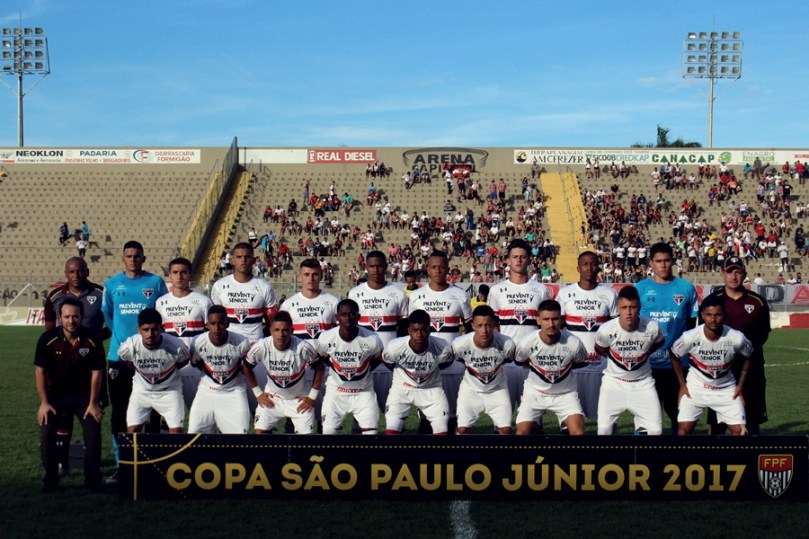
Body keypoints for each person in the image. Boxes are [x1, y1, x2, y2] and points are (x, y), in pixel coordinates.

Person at [102, 240, 168, 483]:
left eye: (137, 256)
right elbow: (108, 315)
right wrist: (122, 340)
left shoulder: (155, 283)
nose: (133, 259)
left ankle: (150, 464)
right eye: (128, 256)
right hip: (118, 359)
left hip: (150, 357)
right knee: (120, 412)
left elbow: (163, 313)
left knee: (151, 412)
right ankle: (122, 465)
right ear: (123, 259)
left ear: (143, 258)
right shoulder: (111, 285)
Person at [43, 257, 107, 477]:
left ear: (87, 271)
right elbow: (49, 330)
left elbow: (112, 321)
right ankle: (62, 463)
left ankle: (92, 467)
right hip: (62, 363)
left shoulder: (100, 293)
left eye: (80, 271)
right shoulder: (55, 296)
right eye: (72, 271)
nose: (76, 275)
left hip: (90, 361)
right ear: (65, 272)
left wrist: (97, 339)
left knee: (91, 416)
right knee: (62, 418)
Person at [35, 297, 105, 493]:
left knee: (93, 431)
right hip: (55, 397)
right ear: (60, 317)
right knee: (47, 431)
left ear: (82, 317)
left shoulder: (91, 340)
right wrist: (44, 403)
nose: (71, 321)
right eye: (66, 317)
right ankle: (51, 480)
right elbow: (39, 371)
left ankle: (93, 481)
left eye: (75, 316)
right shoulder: (47, 340)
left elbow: (97, 372)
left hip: (83, 397)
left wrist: (93, 403)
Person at [702, 256, 771, 435]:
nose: (734, 276)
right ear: (723, 274)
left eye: (738, 272)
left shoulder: (758, 302)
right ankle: (715, 461)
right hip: (720, 370)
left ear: (744, 274)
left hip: (752, 370)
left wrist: (744, 352)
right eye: (730, 272)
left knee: (752, 421)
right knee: (717, 425)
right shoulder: (712, 301)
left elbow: (763, 334)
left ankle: (751, 460)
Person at [636, 242, 698, 434]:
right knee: (645, 417)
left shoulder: (686, 288)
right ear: (651, 263)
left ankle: (677, 458)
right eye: (659, 261)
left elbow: (690, 326)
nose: (663, 265)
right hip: (647, 365)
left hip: (677, 365)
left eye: (667, 261)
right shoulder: (640, 289)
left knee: (679, 415)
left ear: (673, 261)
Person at [670, 296, 754, 435]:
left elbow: (749, 355)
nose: (713, 320)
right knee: (682, 433)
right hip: (695, 389)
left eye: (718, 315)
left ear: (724, 315)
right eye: (708, 315)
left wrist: (740, 386)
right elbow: (674, 355)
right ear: (702, 315)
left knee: (741, 433)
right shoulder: (690, 337)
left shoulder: (736, 338)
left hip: (726, 390)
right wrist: (682, 385)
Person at [408, 250, 472, 431]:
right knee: (427, 418)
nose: (438, 271)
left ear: (448, 270)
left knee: (452, 416)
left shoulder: (460, 295)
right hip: (425, 365)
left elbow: (468, 331)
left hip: (452, 366)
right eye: (434, 267)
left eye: (442, 267)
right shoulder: (416, 296)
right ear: (427, 269)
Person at [210, 242, 277, 410]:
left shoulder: (264, 287)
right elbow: (214, 321)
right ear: (232, 260)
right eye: (239, 257)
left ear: (254, 260)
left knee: (260, 401)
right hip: (227, 349)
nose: (243, 260)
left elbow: (272, 323)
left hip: (255, 349)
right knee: (226, 400)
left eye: (247, 257)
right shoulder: (219, 286)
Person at [486, 239, 550, 416]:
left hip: (532, 362)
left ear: (529, 260)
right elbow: (492, 326)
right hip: (505, 362)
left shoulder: (541, 290)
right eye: (515, 257)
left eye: (523, 257)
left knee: (533, 417)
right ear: (508, 260)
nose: (519, 260)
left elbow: (546, 324)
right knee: (502, 417)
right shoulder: (497, 290)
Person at [594, 286, 665, 435]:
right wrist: (616, 359)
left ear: (639, 307)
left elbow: (659, 342)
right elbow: (599, 348)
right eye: (624, 307)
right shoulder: (606, 329)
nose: (628, 312)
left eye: (632, 307)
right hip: (613, 383)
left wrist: (644, 353)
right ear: (618, 308)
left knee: (656, 431)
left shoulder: (652, 327)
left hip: (643, 383)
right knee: (603, 430)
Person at [556, 251, 618, 422]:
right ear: (578, 268)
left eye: (593, 264)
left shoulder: (609, 294)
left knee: (605, 418)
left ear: (598, 267)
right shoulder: (565, 294)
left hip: (602, 365)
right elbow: (557, 328)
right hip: (573, 366)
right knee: (571, 418)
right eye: (585, 264)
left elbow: (615, 330)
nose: (589, 268)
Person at [514, 300, 588, 435]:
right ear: (538, 320)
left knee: (578, 433)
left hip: (565, 394)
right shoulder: (526, 343)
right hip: (535, 393)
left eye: (555, 319)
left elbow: (579, 362)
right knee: (521, 433)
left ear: (561, 320)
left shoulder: (574, 343)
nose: (551, 324)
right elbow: (521, 361)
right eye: (546, 319)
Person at [348, 251, 408, 414]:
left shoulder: (398, 293)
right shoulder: (355, 294)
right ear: (366, 267)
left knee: (395, 410)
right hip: (363, 360)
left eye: (380, 266)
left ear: (386, 266)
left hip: (390, 361)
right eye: (372, 266)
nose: (376, 270)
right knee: (361, 411)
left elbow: (403, 330)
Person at [245, 311, 324, 434]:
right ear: (270, 330)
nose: (281, 334)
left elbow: (320, 368)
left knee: (306, 442)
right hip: (273, 397)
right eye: (276, 330)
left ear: (292, 330)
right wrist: (258, 393)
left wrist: (312, 397)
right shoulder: (261, 347)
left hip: (299, 400)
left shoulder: (303, 347)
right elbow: (246, 366)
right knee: (260, 434)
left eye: (285, 330)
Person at [312, 299, 383, 434]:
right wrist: (334, 366)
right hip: (336, 391)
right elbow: (321, 356)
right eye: (343, 314)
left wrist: (364, 370)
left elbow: (378, 357)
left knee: (371, 434)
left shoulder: (372, 339)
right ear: (337, 317)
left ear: (359, 317)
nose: (348, 318)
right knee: (328, 433)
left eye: (352, 314)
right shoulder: (326, 338)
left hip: (364, 392)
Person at [117, 309, 189, 434]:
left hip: (169, 391)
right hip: (141, 391)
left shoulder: (176, 346)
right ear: (139, 330)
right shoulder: (129, 346)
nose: (150, 334)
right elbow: (124, 360)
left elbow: (183, 362)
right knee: (132, 431)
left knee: (177, 433)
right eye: (145, 330)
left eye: (154, 329)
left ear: (162, 329)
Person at [382, 309, 454, 435]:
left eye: (423, 330)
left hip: (431, 389)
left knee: (442, 431)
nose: (419, 335)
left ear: (429, 330)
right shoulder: (394, 348)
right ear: (408, 330)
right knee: (391, 432)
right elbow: (387, 362)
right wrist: (403, 376)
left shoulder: (443, 348)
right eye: (415, 330)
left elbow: (447, 362)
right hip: (402, 389)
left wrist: (427, 371)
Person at [187, 306, 256, 434]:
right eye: (213, 323)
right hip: (206, 392)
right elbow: (197, 363)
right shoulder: (198, 342)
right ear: (206, 324)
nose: (217, 328)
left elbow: (246, 367)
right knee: (194, 435)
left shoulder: (241, 342)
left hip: (234, 392)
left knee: (240, 437)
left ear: (227, 323)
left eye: (221, 323)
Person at [156, 257, 213, 410]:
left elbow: (211, 334)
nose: (179, 276)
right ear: (169, 275)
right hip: (170, 368)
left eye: (183, 272)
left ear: (190, 274)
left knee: (202, 416)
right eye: (175, 272)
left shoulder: (203, 301)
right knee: (170, 419)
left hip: (196, 368)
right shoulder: (161, 302)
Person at [451, 305, 515, 434]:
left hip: (497, 390)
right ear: (473, 326)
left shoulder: (507, 344)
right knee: (463, 430)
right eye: (479, 326)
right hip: (470, 390)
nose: (484, 330)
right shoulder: (459, 344)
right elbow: (459, 359)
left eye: (488, 325)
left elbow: (507, 359)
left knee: (506, 430)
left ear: (494, 325)